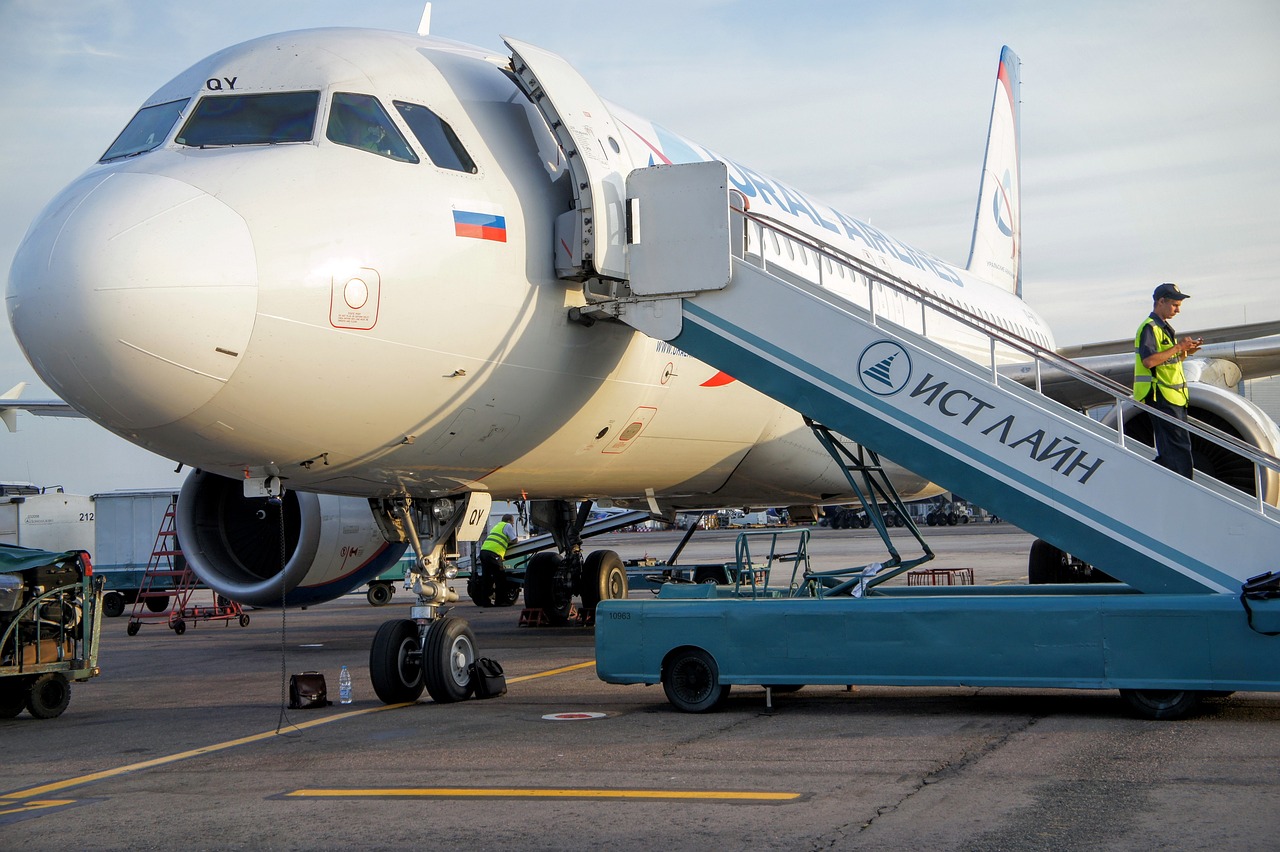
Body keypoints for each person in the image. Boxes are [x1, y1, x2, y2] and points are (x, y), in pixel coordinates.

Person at [1133, 282, 1202, 477]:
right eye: (1175, 305)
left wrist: (1185, 352)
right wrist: (1179, 347)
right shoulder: (1149, 327)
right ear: (1161, 301)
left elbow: (1165, 361)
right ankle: (1181, 487)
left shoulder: (1164, 328)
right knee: (1177, 447)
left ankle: (1161, 478)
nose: (1178, 310)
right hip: (1160, 394)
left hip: (1173, 396)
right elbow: (1149, 361)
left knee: (1175, 447)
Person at [476, 514, 518, 604]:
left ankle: (485, 602)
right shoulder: (507, 526)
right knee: (500, 577)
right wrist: (507, 543)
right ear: (509, 521)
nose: (513, 524)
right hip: (493, 554)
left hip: (484, 552)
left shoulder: (497, 526)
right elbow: (515, 540)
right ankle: (500, 601)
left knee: (486, 578)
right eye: (513, 522)